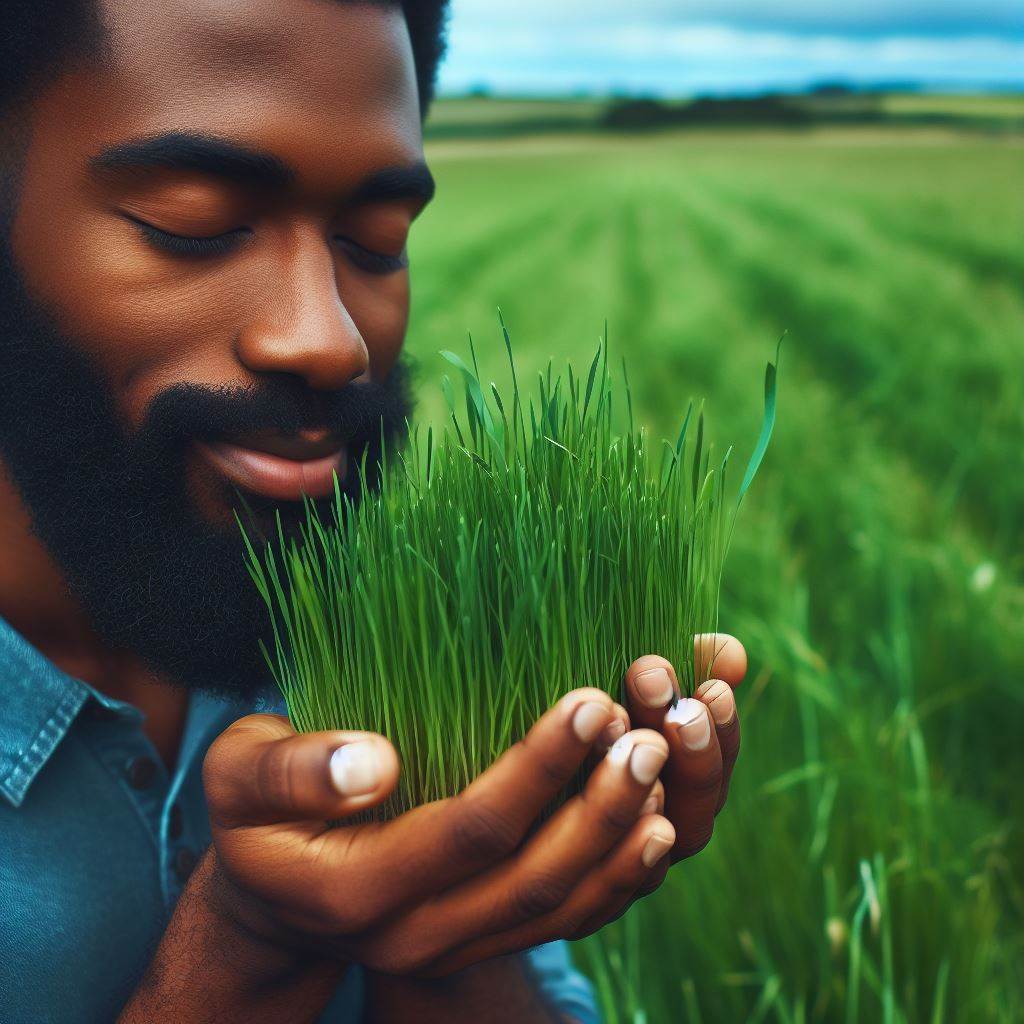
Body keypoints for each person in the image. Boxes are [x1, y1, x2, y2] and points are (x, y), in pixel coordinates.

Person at [0, 1, 748, 1020]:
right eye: (194, 224)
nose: (330, 339)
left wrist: (455, 912)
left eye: (376, 241)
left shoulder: (388, 647)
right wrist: (248, 952)